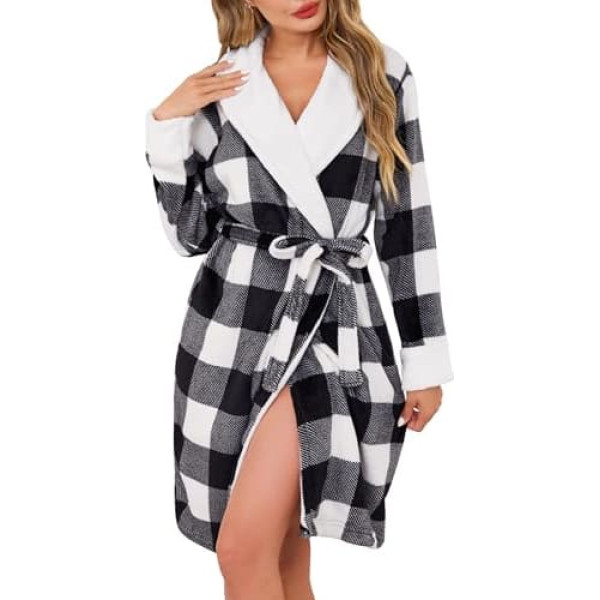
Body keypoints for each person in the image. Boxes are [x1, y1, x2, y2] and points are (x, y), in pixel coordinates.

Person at [144, 1, 454, 598]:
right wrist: (167, 125)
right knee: (281, 552)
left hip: (334, 325)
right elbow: (190, 236)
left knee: (242, 550)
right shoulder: (223, 87)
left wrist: (424, 360)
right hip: (230, 328)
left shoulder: (383, 74)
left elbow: (406, 225)